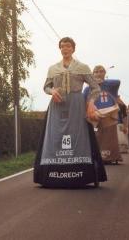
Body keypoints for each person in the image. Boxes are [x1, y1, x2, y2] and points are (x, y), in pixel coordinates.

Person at [34, 37, 107, 188]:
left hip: (76, 105)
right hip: (57, 105)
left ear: (73, 49)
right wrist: (52, 90)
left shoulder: (82, 67)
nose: (64, 49)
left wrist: (91, 102)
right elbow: (46, 87)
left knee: (80, 136)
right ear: (60, 49)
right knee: (54, 136)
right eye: (62, 46)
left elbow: (95, 87)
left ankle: (83, 172)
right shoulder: (53, 68)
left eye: (67, 46)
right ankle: (50, 174)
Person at [84, 65, 122, 164]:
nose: (98, 73)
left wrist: (103, 82)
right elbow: (83, 101)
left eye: (101, 71)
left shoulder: (111, 86)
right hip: (94, 116)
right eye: (96, 72)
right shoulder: (88, 89)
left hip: (109, 115)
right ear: (92, 74)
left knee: (110, 138)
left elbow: (118, 81)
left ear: (105, 73)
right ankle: (96, 157)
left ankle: (111, 157)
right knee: (96, 137)